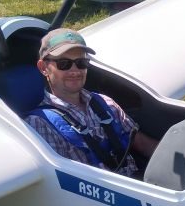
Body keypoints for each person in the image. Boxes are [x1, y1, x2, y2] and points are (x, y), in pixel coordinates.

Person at [24, 28, 158, 178]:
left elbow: (141, 143)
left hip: (138, 181)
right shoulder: (39, 124)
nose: (75, 71)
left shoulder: (106, 103)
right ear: (44, 68)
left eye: (81, 63)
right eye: (64, 63)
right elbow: (59, 181)